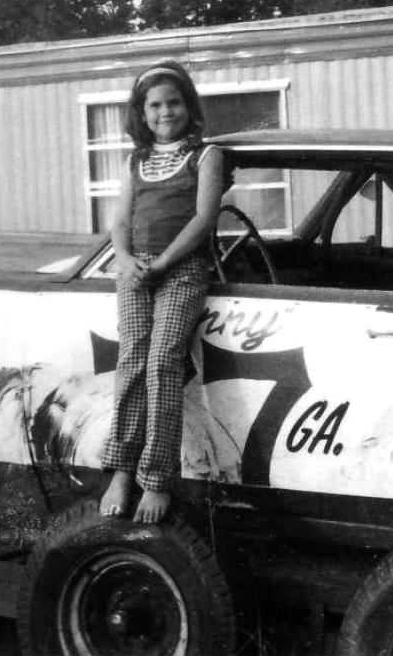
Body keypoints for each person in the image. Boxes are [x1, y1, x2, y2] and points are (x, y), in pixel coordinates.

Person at [99, 61, 225, 524]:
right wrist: (125, 259)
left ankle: (156, 479)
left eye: (174, 102)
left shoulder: (205, 156)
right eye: (154, 105)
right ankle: (121, 469)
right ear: (142, 112)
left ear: (188, 106)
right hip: (135, 270)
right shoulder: (135, 160)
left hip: (182, 268)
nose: (165, 112)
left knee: (162, 362)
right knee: (132, 359)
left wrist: (165, 261)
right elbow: (119, 222)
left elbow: (203, 219)